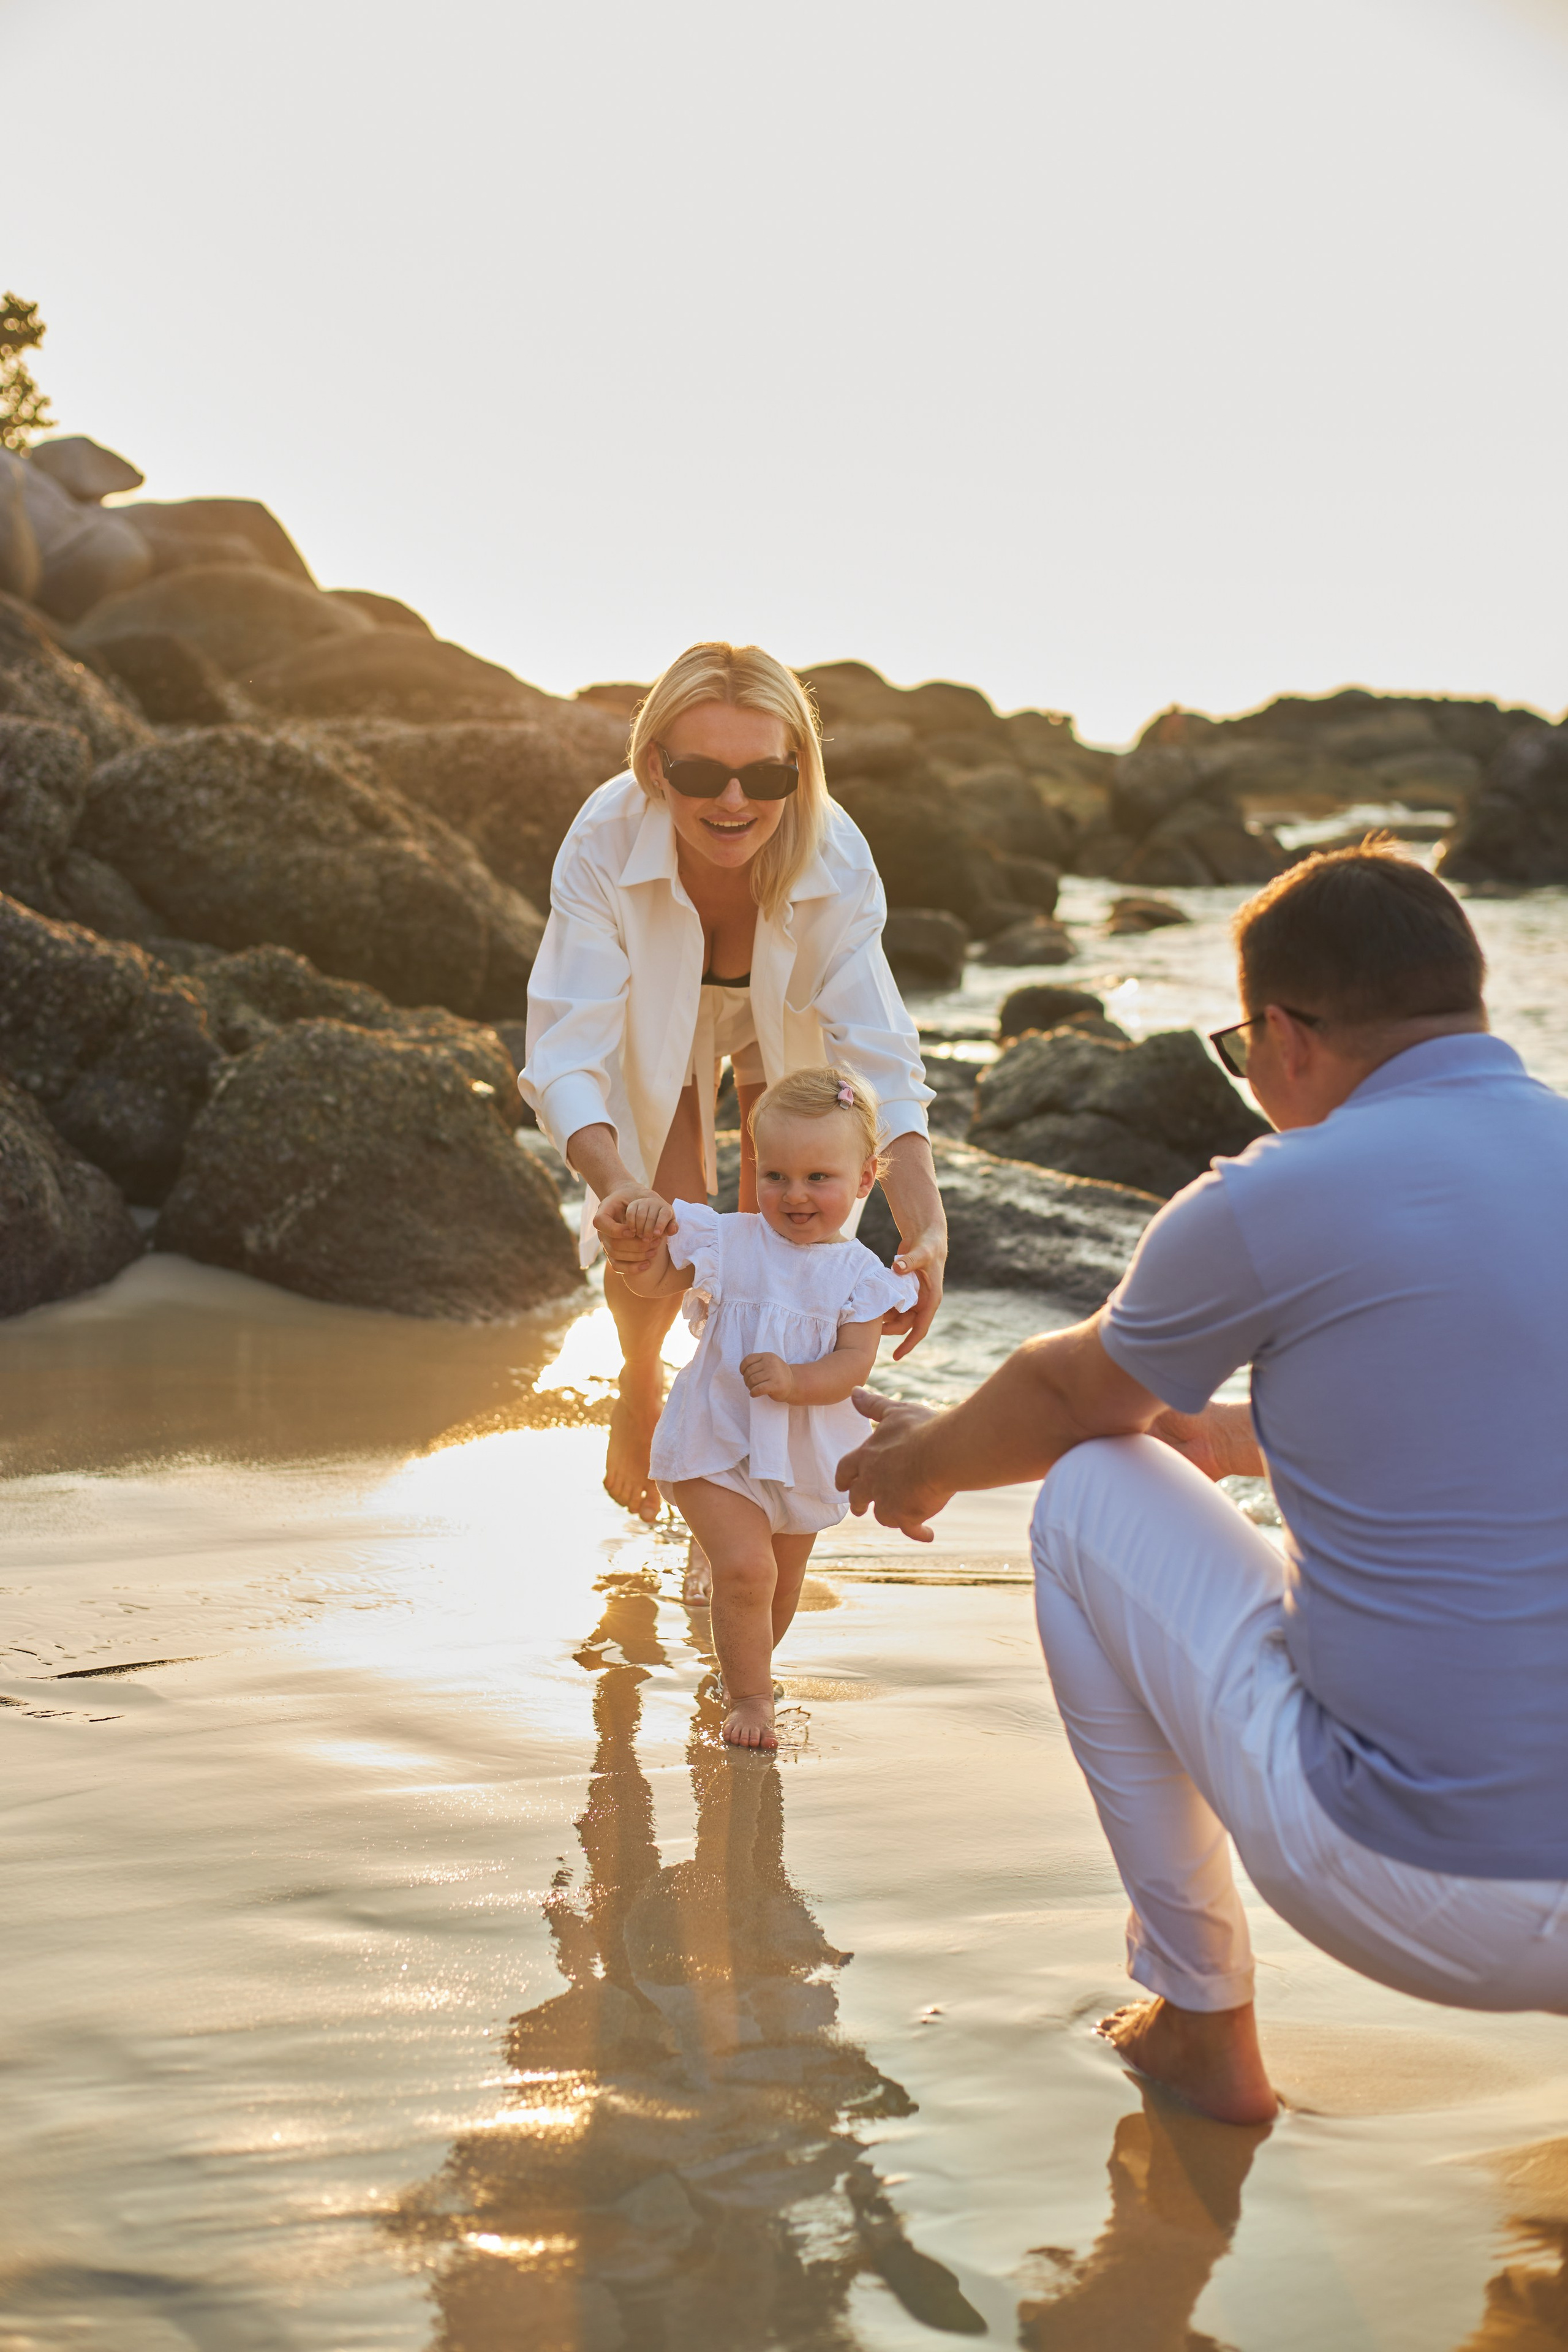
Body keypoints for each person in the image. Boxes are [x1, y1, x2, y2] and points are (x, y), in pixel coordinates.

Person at [837, 844, 1568, 2124]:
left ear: (1285, 1034)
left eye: (1240, 1053)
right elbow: (1480, 1404)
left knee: (1088, 1488)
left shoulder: (1281, 1194)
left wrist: (918, 1461)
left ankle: (1197, 2018)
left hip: (1422, 1884)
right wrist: (1231, 1440)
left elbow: (1070, 1399)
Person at [521, 641, 944, 1525]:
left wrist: (925, 1224)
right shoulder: (604, 840)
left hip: (781, 1014)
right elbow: (566, 1052)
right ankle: (641, 1379)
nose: (734, 801)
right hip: (654, 1010)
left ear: (800, 770)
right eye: (701, 773)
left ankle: (734, 1494)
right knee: (664, 1223)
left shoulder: (835, 857)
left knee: (782, 1237)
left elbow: (878, 1051)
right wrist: (618, 1187)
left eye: (766, 776)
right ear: (655, 766)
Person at [624, 1066, 918, 1750]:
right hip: (717, 1437)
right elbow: (658, 1282)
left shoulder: (860, 1275)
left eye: (818, 1177)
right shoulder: (728, 1239)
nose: (795, 1194)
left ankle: (743, 1667)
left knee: (781, 1585)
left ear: (865, 1179)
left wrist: (795, 1380)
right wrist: (638, 1258)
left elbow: (854, 1365)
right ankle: (751, 1698)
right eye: (776, 1175)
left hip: (802, 1455)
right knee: (748, 1570)